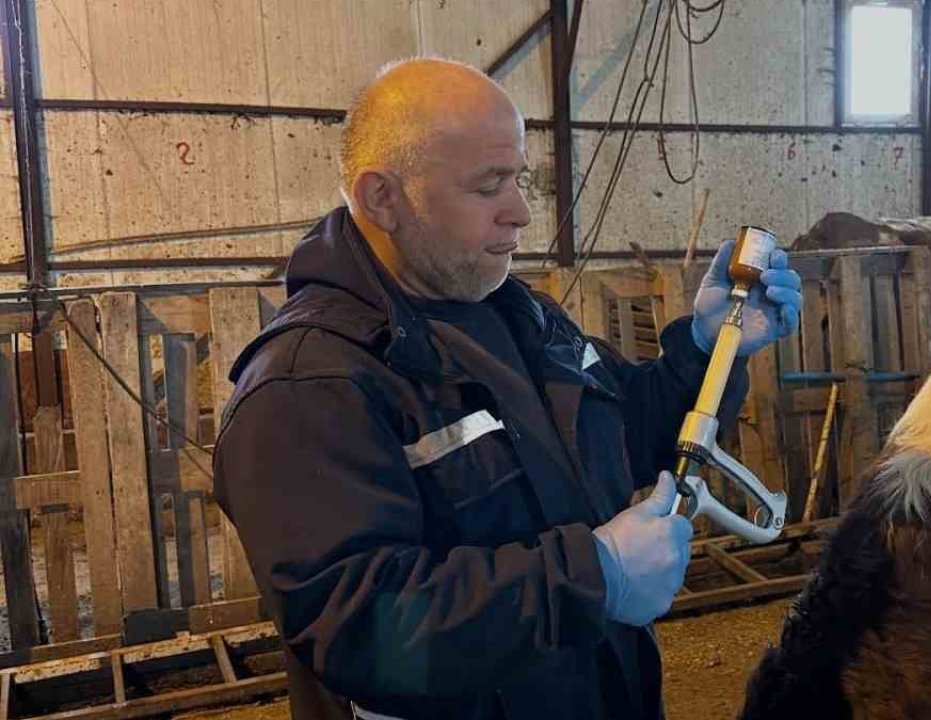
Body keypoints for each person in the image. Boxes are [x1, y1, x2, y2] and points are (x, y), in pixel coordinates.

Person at [211, 57, 802, 720]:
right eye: (490, 185)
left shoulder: (517, 314)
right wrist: (590, 578)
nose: (521, 213)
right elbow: (358, 630)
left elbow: (632, 433)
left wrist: (707, 348)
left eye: (520, 180)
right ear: (384, 198)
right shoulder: (308, 389)